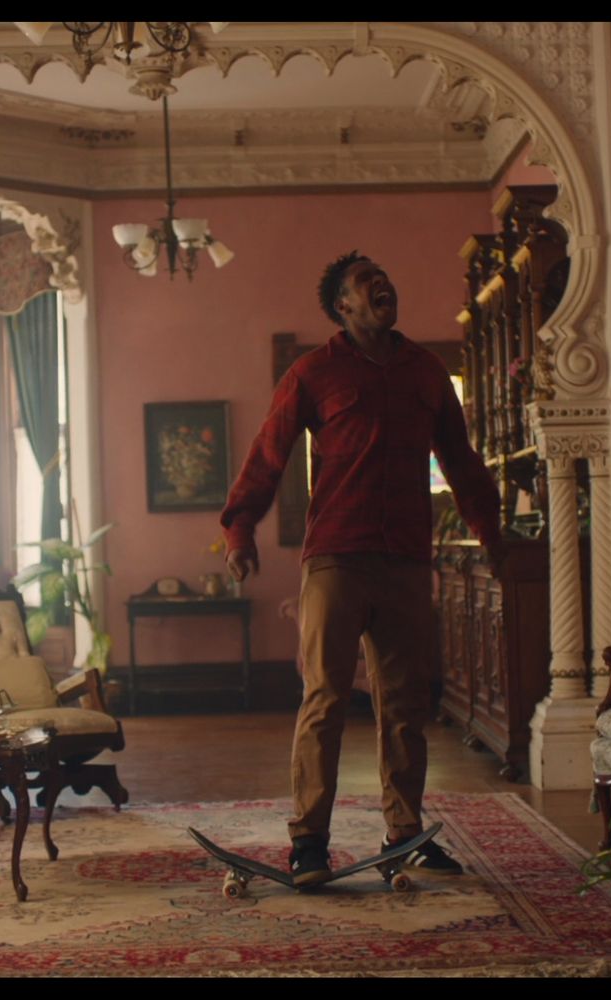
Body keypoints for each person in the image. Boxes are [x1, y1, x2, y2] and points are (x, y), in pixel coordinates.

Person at [220, 250, 505, 886]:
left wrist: (489, 532)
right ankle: (309, 843)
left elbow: (460, 461)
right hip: (335, 557)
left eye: (385, 278)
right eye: (365, 283)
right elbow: (270, 453)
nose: (382, 286)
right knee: (324, 697)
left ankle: (404, 832)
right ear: (342, 306)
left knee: (405, 704)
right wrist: (241, 528)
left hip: (405, 558)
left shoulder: (428, 373)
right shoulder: (313, 372)